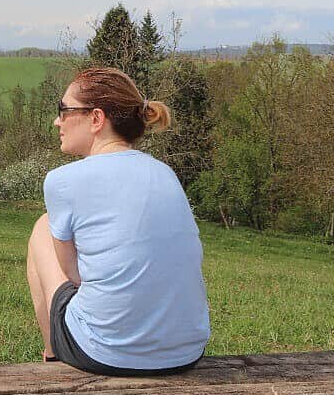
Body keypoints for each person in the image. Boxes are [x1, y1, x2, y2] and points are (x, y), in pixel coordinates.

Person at [26, 67, 209, 376]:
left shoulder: (62, 180)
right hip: (186, 352)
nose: (57, 121)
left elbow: (72, 275)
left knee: (44, 226)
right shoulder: (165, 173)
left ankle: (53, 355)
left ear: (97, 119)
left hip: (104, 352)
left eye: (64, 110)